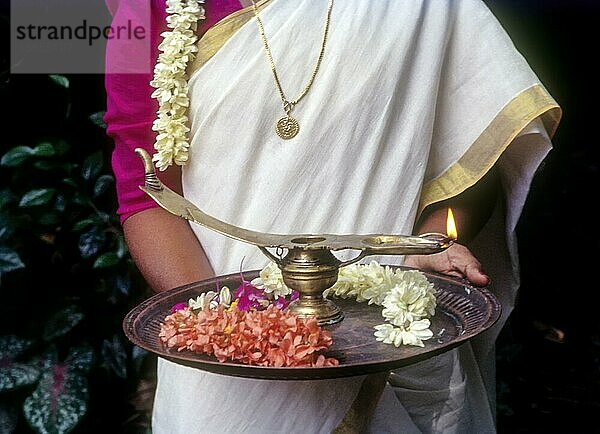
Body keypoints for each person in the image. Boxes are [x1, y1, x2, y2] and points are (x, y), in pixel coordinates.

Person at [104, 0, 561, 432]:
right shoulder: (146, 9)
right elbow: (146, 194)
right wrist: (236, 328)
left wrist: (424, 247)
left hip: (391, 336)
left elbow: (471, 148)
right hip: (224, 360)